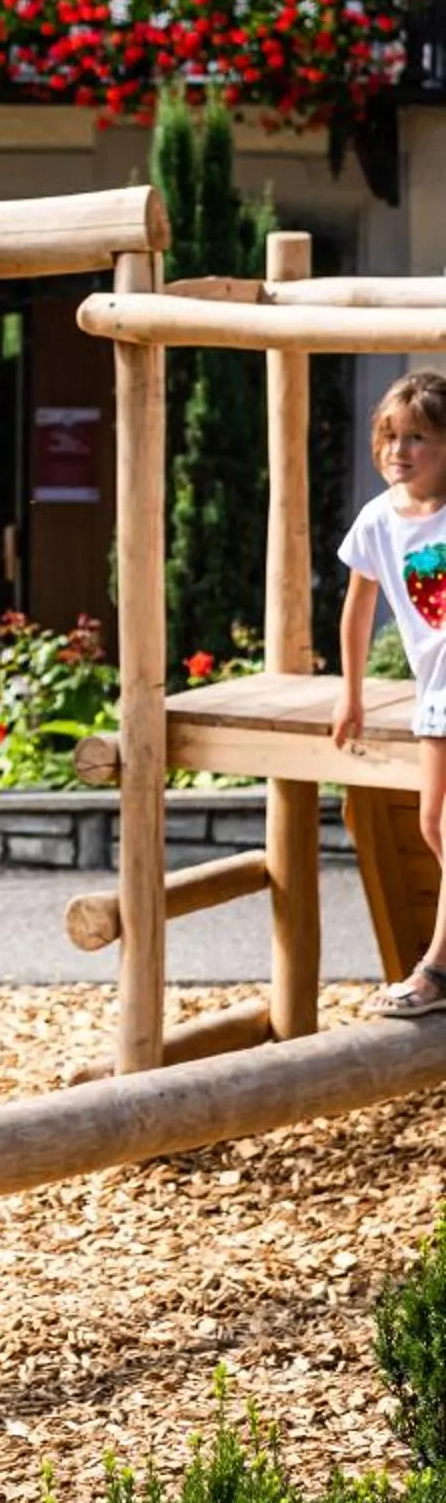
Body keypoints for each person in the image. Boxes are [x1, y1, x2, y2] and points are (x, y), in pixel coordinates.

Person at [333, 368, 446, 1017]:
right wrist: (350, 695)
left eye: (420, 437)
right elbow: (357, 608)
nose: (399, 450)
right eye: (390, 436)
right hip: (431, 689)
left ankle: (434, 970)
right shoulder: (379, 519)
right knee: (431, 824)